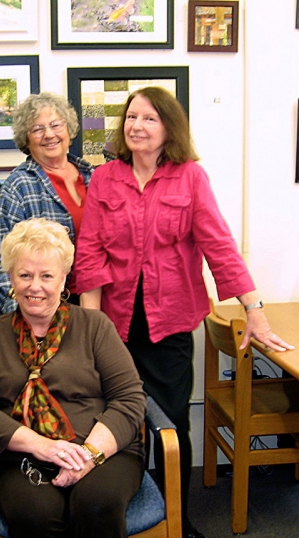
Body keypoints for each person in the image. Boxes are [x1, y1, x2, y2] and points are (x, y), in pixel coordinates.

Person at [73, 86, 294, 538]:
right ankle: (127, 510)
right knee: (116, 418)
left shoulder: (190, 177)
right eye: (132, 117)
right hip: (113, 325)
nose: (137, 125)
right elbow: (90, 253)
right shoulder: (105, 179)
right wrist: (91, 327)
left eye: (150, 118)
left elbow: (218, 245)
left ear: (169, 127)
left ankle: (177, 515)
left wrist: (254, 309)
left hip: (169, 321)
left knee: (170, 424)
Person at [0, 218, 146, 538]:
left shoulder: (95, 326)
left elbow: (130, 398)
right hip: (24, 454)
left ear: (63, 280)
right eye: (25, 275)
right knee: (35, 514)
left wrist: (89, 453)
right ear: (10, 280)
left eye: (46, 276)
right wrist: (41, 446)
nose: (35, 286)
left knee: (95, 503)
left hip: (102, 448)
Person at [0, 92, 94, 313]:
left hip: (95, 302)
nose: (49, 134)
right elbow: (1, 261)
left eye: (56, 125)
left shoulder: (94, 177)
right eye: (37, 129)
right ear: (26, 139)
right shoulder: (18, 186)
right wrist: (22, 316)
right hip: (45, 307)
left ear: (68, 129)